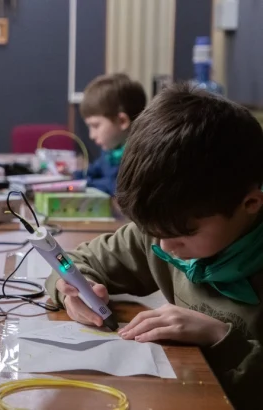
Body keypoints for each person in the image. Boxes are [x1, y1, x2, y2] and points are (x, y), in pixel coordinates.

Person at [46, 84, 263, 410]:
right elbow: (73, 261)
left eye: (184, 233)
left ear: (250, 204)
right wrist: (73, 291)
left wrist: (220, 337)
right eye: (153, 231)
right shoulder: (167, 226)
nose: (164, 247)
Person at [73, 73, 146, 196]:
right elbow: (95, 171)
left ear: (122, 121)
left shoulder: (139, 156)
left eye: (96, 126)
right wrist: (74, 175)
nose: (91, 135)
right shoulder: (111, 150)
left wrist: (87, 183)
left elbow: (117, 186)